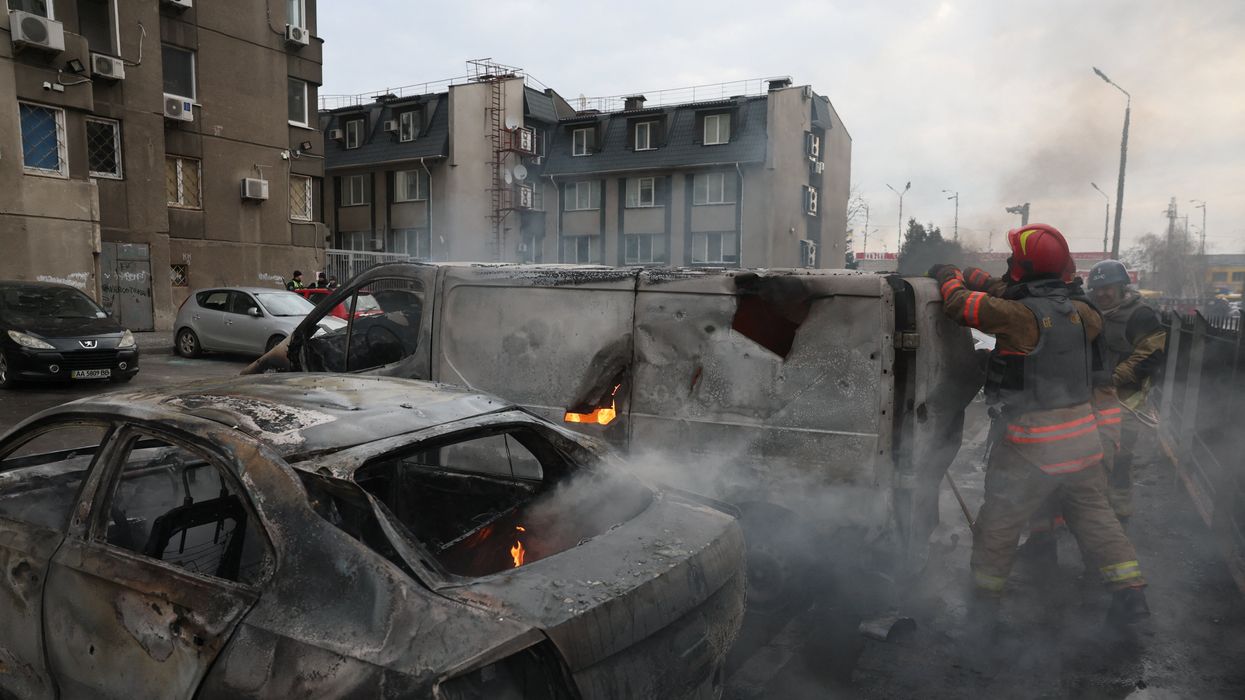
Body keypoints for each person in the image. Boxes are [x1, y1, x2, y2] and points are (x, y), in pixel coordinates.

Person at [928, 224, 1149, 632]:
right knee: (1096, 517)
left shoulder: (1017, 317)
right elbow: (1023, 296)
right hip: (1082, 440)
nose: (1009, 264)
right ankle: (1131, 594)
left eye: (1014, 260)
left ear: (1025, 266)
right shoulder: (1083, 311)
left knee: (999, 522)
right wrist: (983, 276)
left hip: (1031, 444)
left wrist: (949, 276)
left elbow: (961, 305)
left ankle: (984, 605)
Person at [1087, 259, 1166, 519]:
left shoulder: (1140, 315)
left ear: (1122, 287)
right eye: (1097, 288)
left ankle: (1119, 516)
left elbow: (1150, 354)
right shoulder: (1088, 311)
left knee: (1120, 462)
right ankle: (1092, 516)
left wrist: (1113, 377)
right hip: (1091, 400)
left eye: (1108, 288)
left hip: (1125, 403)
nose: (1101, 294)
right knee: (1089, 459)